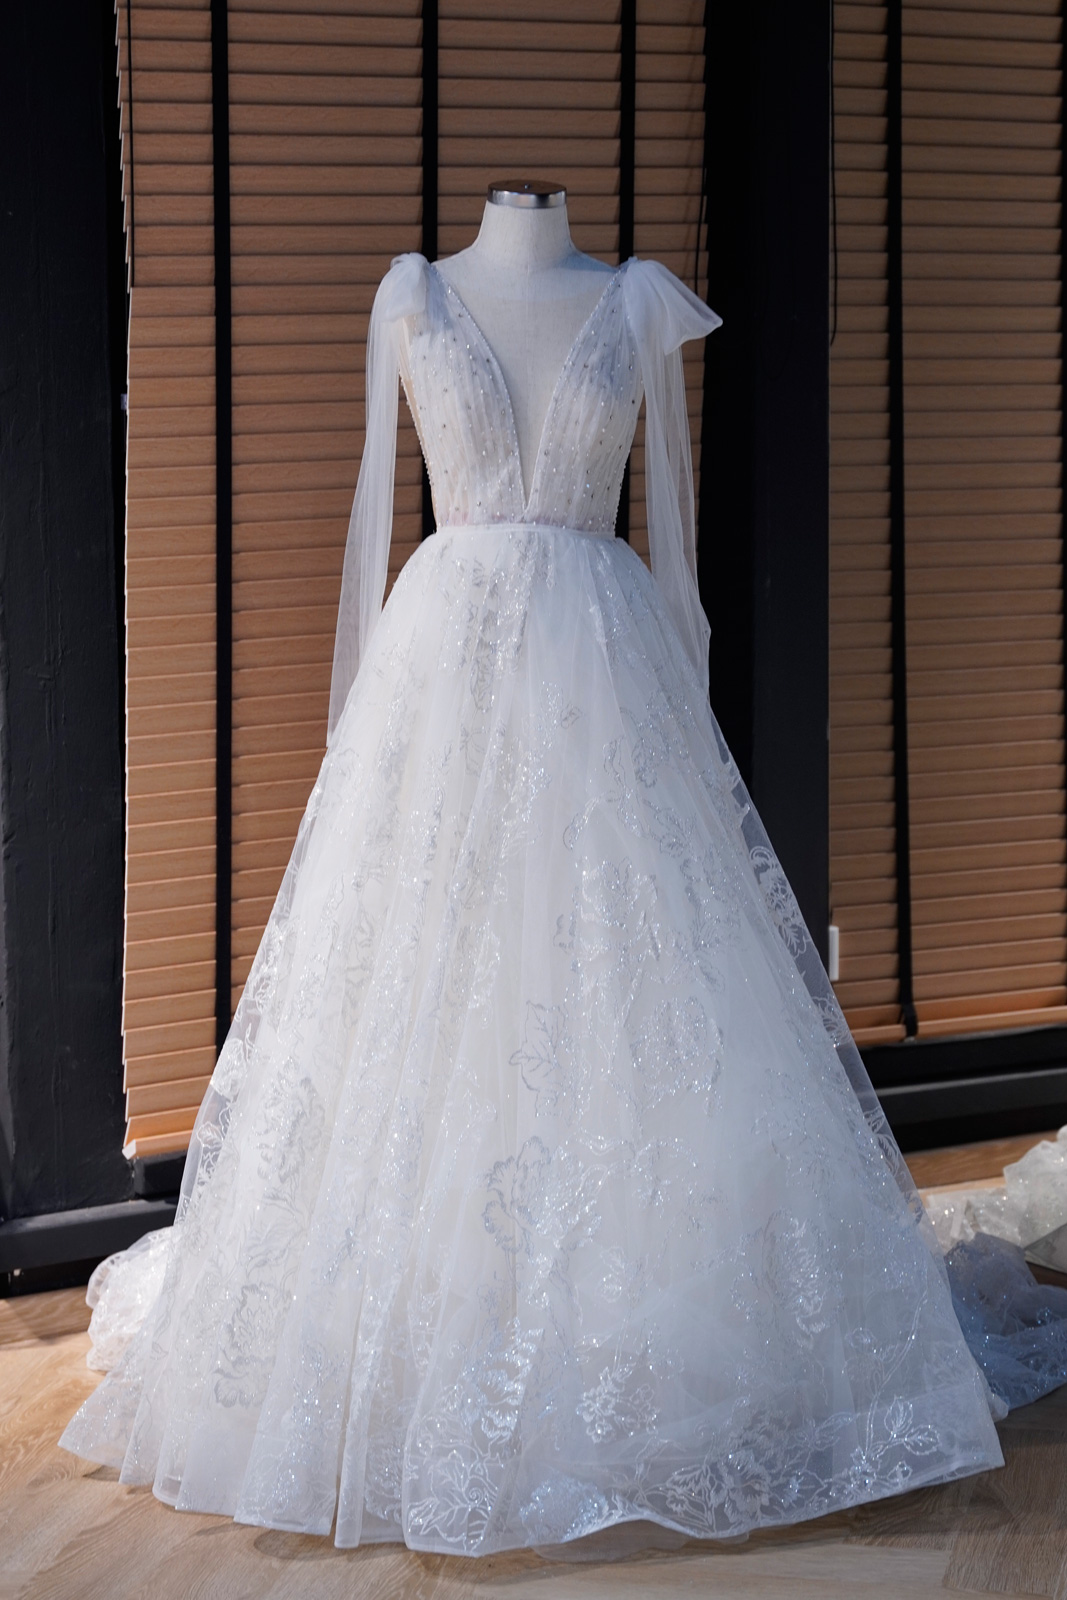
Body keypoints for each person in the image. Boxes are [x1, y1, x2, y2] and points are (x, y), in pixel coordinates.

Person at [61, 181, 1067, 1556]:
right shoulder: (413, 296)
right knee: (433, 964)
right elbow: (378, 513)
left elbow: (677, 539)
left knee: (616, 969)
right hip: (451, 663)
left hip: (604, 662)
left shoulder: (634, 299)